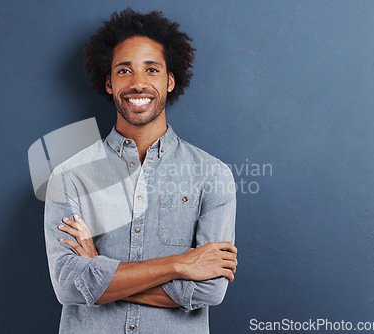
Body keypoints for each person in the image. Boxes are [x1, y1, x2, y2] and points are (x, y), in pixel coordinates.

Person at [44, 8, 237, 334]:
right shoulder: (70, 176)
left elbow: (210, 290)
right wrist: (179, 264)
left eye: (151, 69)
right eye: (124, 71)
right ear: (108, 83)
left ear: (169, 80)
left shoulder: (212, 175)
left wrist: (98, 273)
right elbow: (68, 287)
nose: (138, 83)